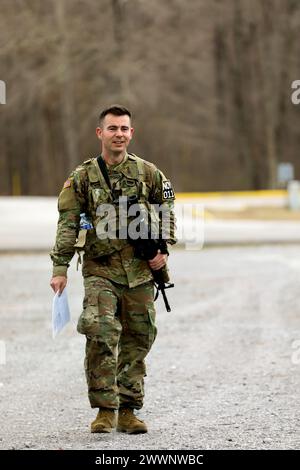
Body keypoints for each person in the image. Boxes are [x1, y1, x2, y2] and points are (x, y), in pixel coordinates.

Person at [50, 104, 176, 434]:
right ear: (100, 133)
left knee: (139, 337)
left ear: (131, 133)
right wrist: (60, 267)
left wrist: (162, 248)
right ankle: (105, 410)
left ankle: (130, 410)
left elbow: (167, 208)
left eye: (124, 129)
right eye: (112, 129)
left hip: (139, 271)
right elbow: (67, 223)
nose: (118, 134)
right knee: (100, 331)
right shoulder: (81, 177)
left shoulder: (148, 173)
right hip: (100, 268)